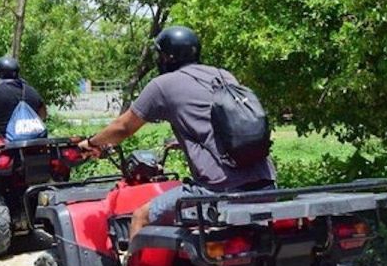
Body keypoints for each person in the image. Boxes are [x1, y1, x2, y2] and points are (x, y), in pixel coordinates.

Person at [78, 26, 275, 239]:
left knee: (140, 217)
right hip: (266, 183)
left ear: (167, 57)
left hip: (218, 191)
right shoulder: (223, 75)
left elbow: (123, 127)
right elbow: (227, 126)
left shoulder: (163, 85)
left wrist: (92, 142)